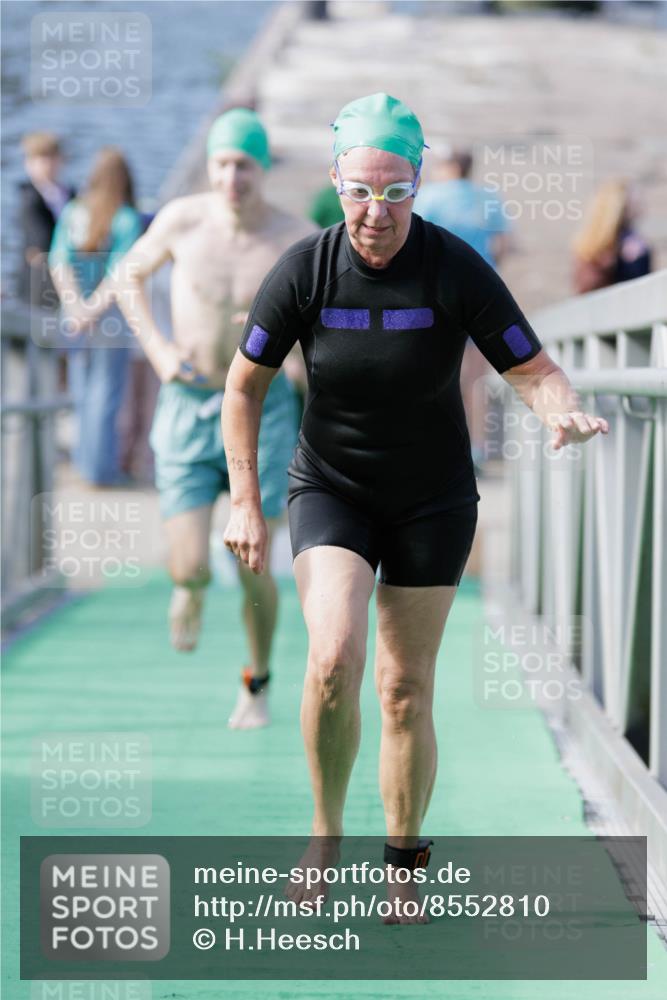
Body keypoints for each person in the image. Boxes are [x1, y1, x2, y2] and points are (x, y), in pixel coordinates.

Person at [221, 93, 609, 922]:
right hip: (331, 486)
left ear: (418, 186)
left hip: (433, 496)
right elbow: (241, 387)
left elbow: (533, 368)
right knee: (332, 661)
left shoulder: (453, 266)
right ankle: (325, 832)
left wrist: (559, 413)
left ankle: (403, 858)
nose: (376, 211)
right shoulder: (303, 269)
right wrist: (246, 502)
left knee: (403, 690)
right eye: (361, 190)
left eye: (395, 192)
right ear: (335, 181)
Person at [111, 108, 315, 729]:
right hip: (189, 403)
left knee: (252, 562)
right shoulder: (183, 220)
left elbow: (325, 321)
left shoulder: (294, 236)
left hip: (264, 409)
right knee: (192, 565)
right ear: (210, 167)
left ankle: (256, 682)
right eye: (222, 164)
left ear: (262, 168)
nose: (232, 177)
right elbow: (127, 278)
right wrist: (159, 350)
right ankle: (188, 590)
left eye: (244, 165)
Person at [48, 147, 143, 486]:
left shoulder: (74, 211)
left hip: (73, 318)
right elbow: (120, 272)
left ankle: (81, 462)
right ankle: (101, 470)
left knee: (81, 389)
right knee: (107, 392)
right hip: (109, 319)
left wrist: (75, 307)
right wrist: (92, 310)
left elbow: (58, 261)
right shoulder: (127, 218)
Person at [415, 146, 511, 472]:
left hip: (436, 294)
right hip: (480, 295)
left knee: (434, 372)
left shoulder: (429, 196)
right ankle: (477, 450)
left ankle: (437, 446)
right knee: (476, 379)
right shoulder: (488, 197)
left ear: (452, 166)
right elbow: (502, 245)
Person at [18, 132, 75, 309]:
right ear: (28, 164)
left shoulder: (71, 194)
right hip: (38, 279)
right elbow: (40, 242)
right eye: (40, 159)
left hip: (69, 271)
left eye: (51, 158)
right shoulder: (29, 198)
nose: (47, 165)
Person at [572, 178, 652, 294]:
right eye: (635, 203)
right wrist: (617, 261)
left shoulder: (634, 242)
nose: (641, 208)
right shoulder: (594, 248)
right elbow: (587, 289)